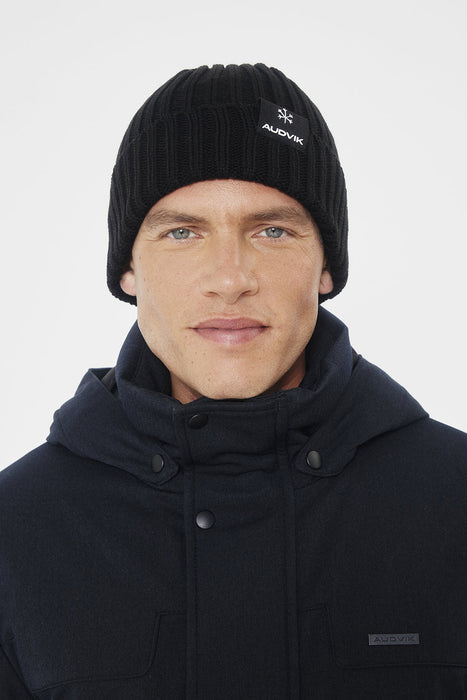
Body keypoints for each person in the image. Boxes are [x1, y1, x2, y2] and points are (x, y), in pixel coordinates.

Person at [0, 64, 466, 700]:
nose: (229, 279)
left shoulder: (455, 501)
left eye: (272, 230)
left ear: (326, 265)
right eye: (182, 232)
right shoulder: (17, 529)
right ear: (128, 268)